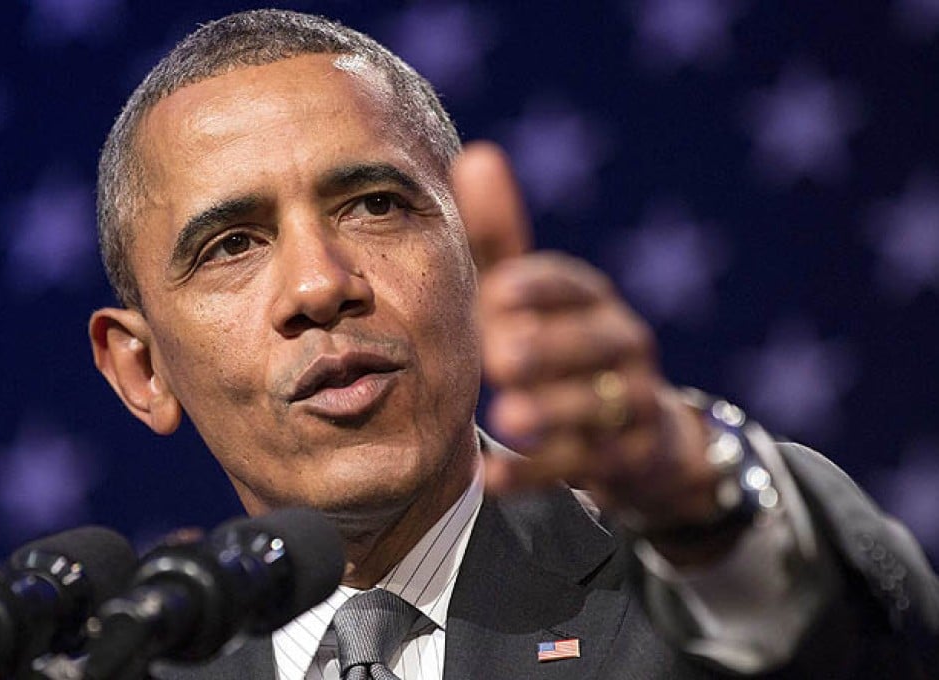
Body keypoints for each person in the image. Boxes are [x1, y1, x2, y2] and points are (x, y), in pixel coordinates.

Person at [87, 9, 939, 679]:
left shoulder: (683, 577)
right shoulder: (127, 665)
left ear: (471, 259)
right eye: (232, 244)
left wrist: (712, 520)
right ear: (143, 368)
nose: (320, 285)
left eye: (375, 204)